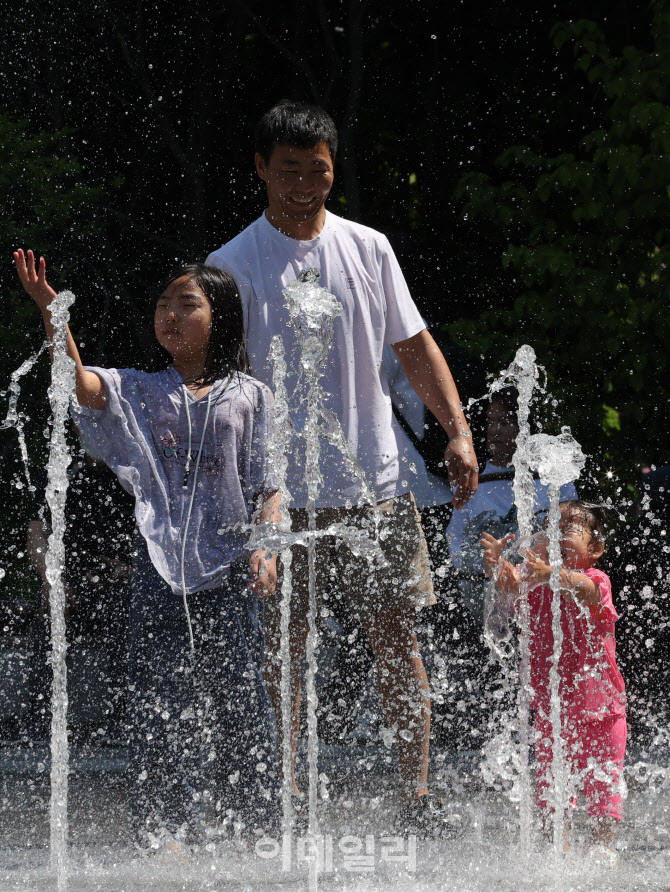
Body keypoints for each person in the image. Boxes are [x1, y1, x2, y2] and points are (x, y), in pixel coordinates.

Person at [205, 100, 479, 834]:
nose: (303, 184)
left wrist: (457, 432)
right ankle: (288, 796)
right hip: (277, 497)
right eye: (288, 169)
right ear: (261, 167)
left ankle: (418, 795)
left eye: (317, 170)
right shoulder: (230, 267)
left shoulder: (370, 248)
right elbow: (213, 382)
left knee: (396, 635)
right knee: (283, 650)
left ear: (334, 172)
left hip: (374, 485)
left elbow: (414, 346)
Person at [14, 250, 281, 851]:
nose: (169, 315)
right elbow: (81, 386)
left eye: (187, 305)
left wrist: (267, 548)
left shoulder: (251, 395)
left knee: (240, 700)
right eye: (163, 304)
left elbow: (270, 484)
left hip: (233, 570)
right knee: (160, 703)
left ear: (221, 318)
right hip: (158, 570)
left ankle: (257, 829)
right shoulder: (139, 388)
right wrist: (52, 313)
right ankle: (166, 831)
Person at [482, 500, 627, 863]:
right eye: (549, 529)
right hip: (553, 710)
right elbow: (508, 589)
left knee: (604, 783)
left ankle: (602, 846)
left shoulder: (596, 580)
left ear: (594, 550)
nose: (554, 535)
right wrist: (498, 566)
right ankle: (555, 851)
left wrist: (555, 575)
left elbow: (586, 590)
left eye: (567, 530)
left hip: (604, 709)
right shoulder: (534, 581)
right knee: (551, 786)